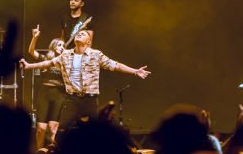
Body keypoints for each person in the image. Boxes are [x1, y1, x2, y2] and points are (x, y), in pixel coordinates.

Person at [20, 30, 151, 129]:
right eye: (78, 33)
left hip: (89, 99)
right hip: (71, 99)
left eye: (83, 34)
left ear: (88, 42)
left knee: (92, 130)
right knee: (60, 129)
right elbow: (48, 63)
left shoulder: (96, 54)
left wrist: (135, 71)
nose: (79, 34)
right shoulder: (65, 55)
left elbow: (115, 65)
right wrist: (29, 66)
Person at [28, 25, 65, 149]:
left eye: (64, 46)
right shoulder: (45, 59)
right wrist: (35, 37)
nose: (62, 47)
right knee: (41, 129)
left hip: (59, 94)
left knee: (53, 128)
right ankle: (39, 153)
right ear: (53, 46)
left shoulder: (65, 62)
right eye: (59, 45)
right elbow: (31, 52)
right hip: (44, 94)